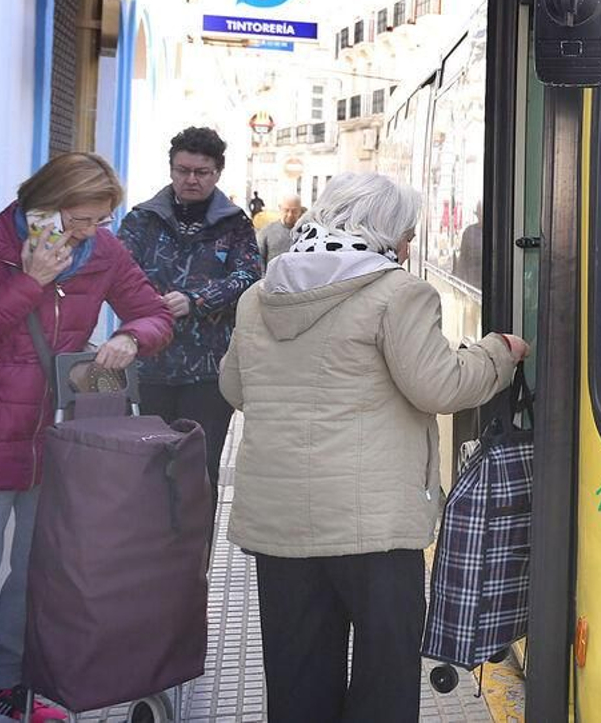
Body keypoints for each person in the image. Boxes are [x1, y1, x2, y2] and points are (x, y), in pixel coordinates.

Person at [219, 172, 528, 723]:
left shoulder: (260, 295)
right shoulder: (398, 293)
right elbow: (441, 386)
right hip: (373, 531)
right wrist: (497, 353)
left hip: (280, 526)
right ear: (381, 231)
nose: (409, 246)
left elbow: (235, 388)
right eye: (406, 234)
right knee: (382, 686)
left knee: (296, 682)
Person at [0, 153, 175, 720]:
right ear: (44, 202)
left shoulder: (102, 252)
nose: (87, 232)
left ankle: (11, 686)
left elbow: (154, 313)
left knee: (39, 572)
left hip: (60, 436)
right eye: (78, 218)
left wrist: (133, 336)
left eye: (99, 221)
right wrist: (30, 281)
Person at [118, 127, 262, 492]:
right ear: (170, 169)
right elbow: (118, 273)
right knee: (148, 474)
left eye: (201, 172)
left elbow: (249, 276)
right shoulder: (141, 219)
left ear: (217, 173)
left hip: (209, 372)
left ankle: (195, 551)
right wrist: (152, 305)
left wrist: (196, 300)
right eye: (183, 170)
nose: (191, 179)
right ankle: (149, 549)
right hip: (149, 366)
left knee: (200, 474)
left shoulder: (235, 223)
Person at [257, 195, 305, 267]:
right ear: (280, 208)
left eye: (294, 211)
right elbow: (259, 260)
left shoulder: (306, 232)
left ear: (300, 211)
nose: (290, 215)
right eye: (286, 210)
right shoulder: (266, 232)